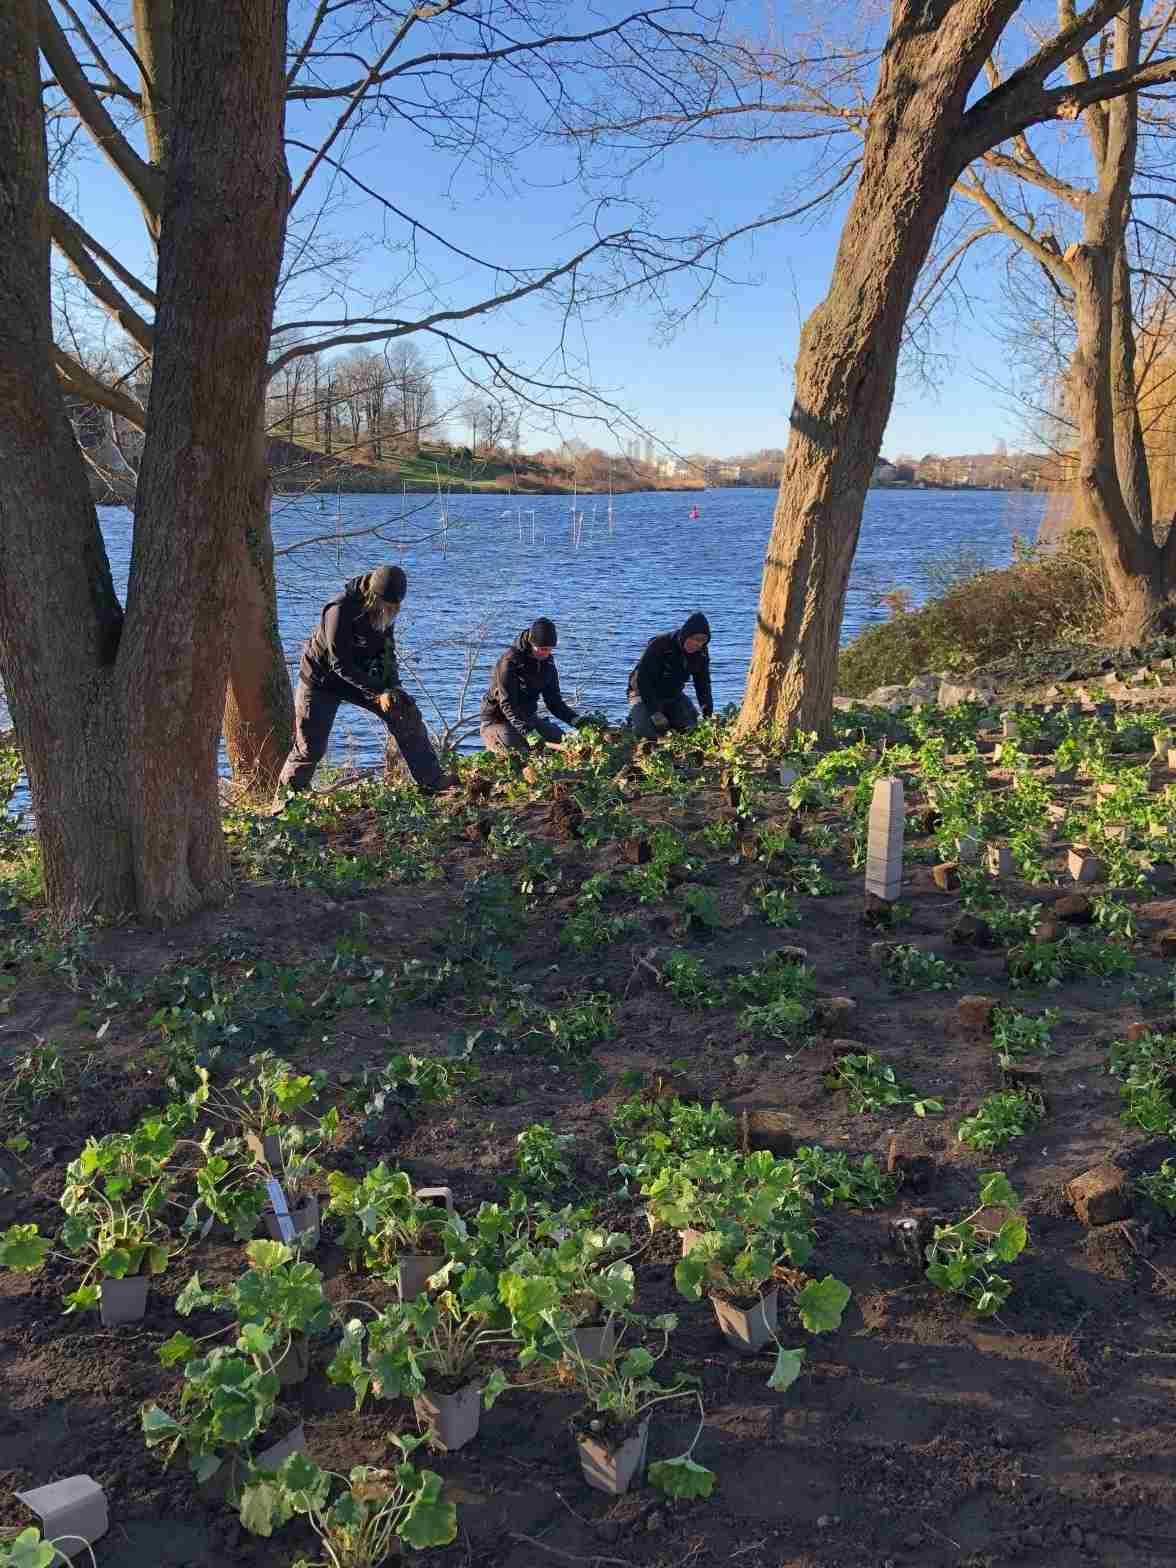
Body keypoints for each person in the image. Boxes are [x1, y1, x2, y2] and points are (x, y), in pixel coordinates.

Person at [276, 565, 451, 797]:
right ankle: (286, 802)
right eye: (387, 606)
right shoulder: (338, 610)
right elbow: (340, 664)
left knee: (404, 712)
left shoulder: (385, 610)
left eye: (394, 607)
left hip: (362, 675)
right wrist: (378, 692)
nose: (389, 611)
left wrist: (393, 686)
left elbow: (387, 651)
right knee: (310, 748)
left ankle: (432, 781)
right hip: (322, 681)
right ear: (372, 595)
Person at [480, 617, 583, 755]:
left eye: (549, 650)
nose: (545, 653)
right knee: (519, 751)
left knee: (563, 741)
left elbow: (555, 703)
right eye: (541, 649)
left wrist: (577, 721)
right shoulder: (509, 662)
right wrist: (528, 733)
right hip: (498, 720)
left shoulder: (548, 664)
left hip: (528, 718)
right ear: (531, 643)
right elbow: (507, 705)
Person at [627, 611, 713, 738]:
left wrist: (707, 711)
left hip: (673, 694)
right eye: (694, 639)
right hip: (642, 693)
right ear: (685, 635)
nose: (697, 644)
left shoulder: (701, 652)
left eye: (702, 641)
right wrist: (654, 711)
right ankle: (636, 718)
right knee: (646, 732)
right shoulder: (660, 644)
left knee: (691, 729)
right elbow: (642, 679)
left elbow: (702, 683)